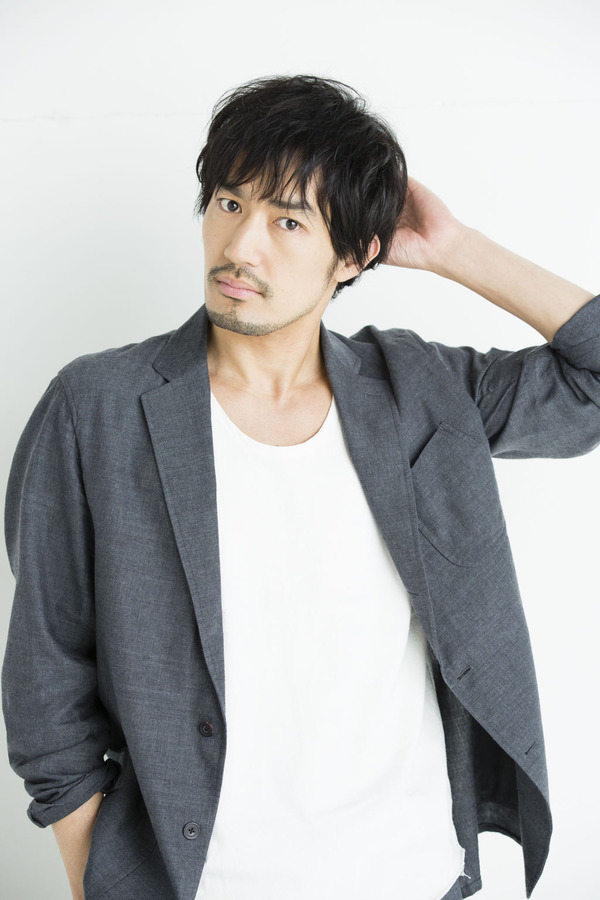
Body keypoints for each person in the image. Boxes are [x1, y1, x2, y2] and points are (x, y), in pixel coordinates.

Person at [2, 74, 598, 900]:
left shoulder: (419, 392)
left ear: (354, 255)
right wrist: (96, 872)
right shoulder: (97, 407)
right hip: (197, 883)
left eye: (288, 220)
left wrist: (454, 247)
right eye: (228, 203)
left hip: (412, 875)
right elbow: (46, 668)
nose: (241, 246)